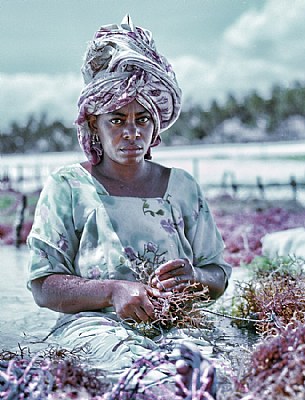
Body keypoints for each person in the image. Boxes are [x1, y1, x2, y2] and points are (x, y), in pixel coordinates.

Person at [26, 14, 231, 395]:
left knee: (204, 376)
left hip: (177, 322)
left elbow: (218, 273)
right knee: (138, 378)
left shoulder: (182, 187)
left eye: (142, 119)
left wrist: (195, 279)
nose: (132, 132)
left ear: (156, 125)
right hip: (93, 327)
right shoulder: (68, 186)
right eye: (117, 119)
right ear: (94, 127)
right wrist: (113, 291)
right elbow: (44, 285)